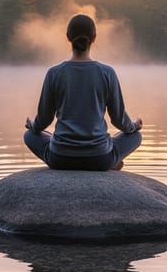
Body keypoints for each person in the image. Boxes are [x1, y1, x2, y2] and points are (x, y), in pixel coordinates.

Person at [24, 14, 143, 171]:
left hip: (60, 158)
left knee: (29, 135)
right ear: (94, 38)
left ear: (68, 37)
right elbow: (119, 120)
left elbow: (44, 120)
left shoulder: (54, 73)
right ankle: (112, 161)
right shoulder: (107, 73)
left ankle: (64, 155)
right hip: (100, 159)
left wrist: (31, 125)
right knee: (136, 136)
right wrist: (134, 125)